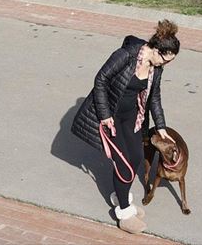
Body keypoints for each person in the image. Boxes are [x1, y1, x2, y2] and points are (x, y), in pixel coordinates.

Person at [71, 18, 179, 235]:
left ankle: (121, 197)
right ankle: (123, 211)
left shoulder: (155, 69)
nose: (165, 65)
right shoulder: (127, 55)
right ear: (156, 50)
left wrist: (161, 127)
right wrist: (104, 115)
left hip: (132, 117)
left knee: (137, 158)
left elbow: (154, 98)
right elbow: (100, 79)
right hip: (111, 118)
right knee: (124, 167)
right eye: (166, 60)